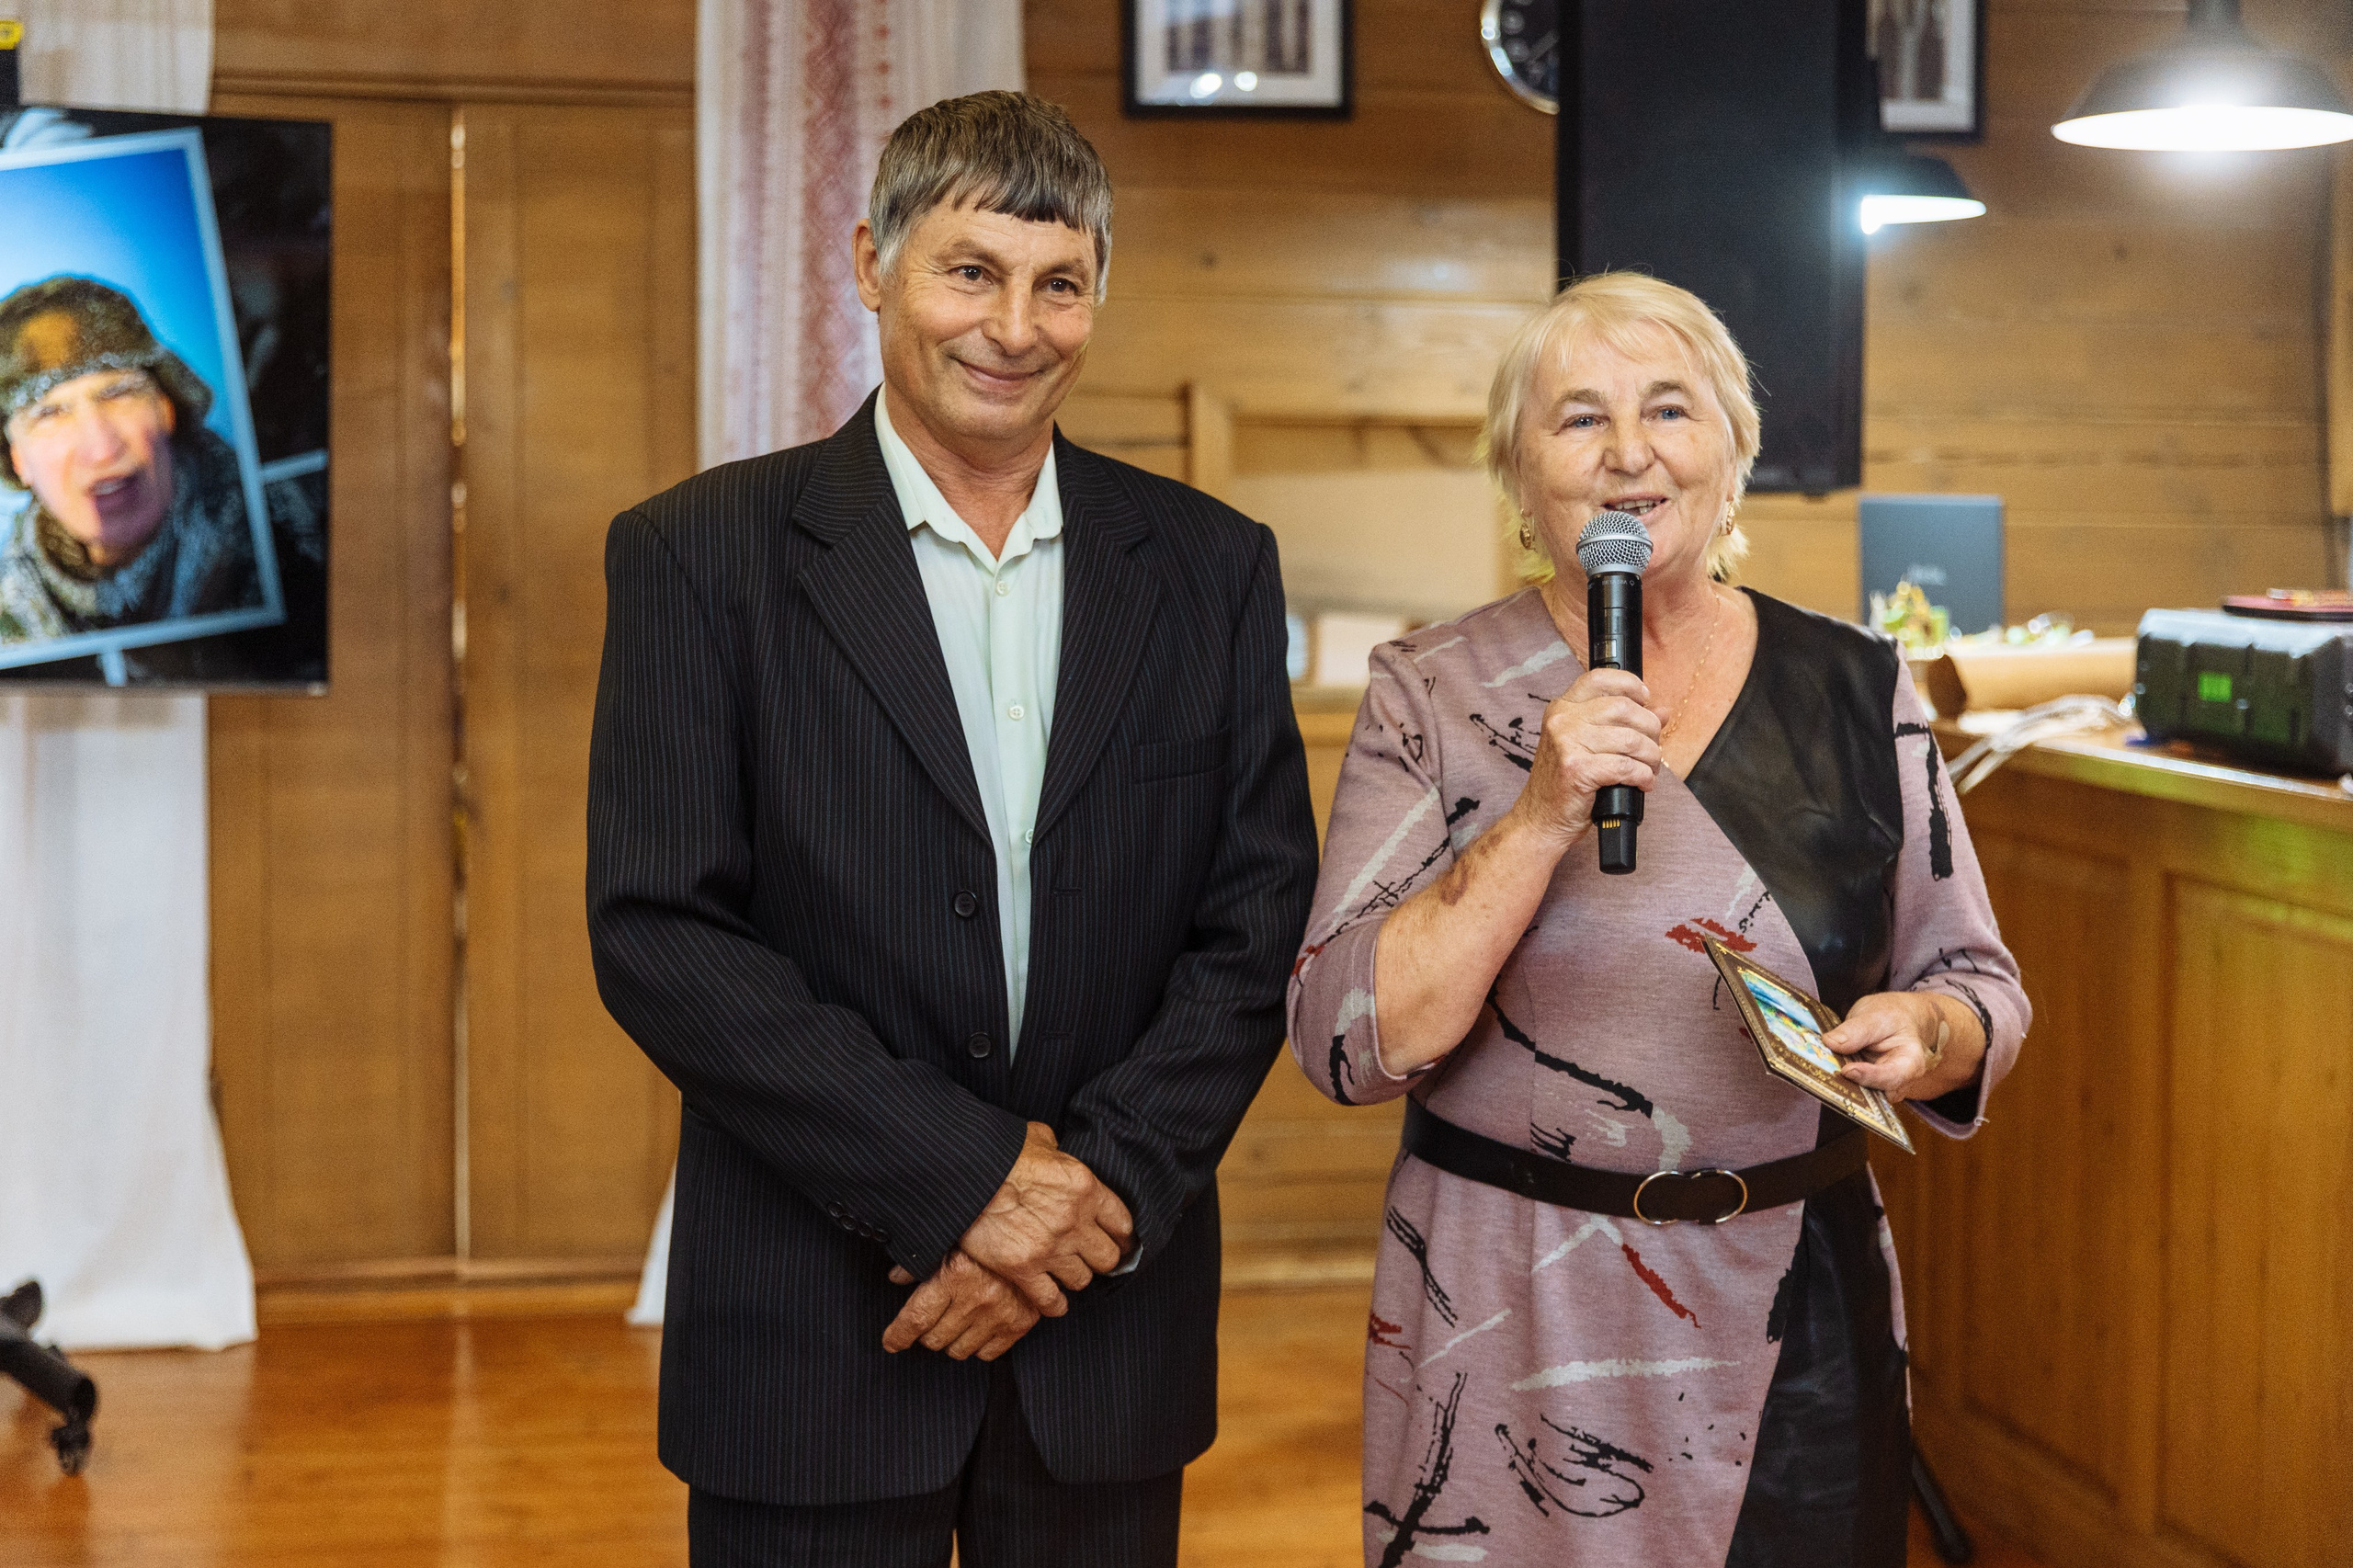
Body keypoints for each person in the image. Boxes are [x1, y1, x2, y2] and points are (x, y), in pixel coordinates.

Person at [587, 91, 1318, 1567]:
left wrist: (1085, 1203)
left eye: (1060, 282)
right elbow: (661, 933)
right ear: (872, 264)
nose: (1015, 325)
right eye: (970, 271)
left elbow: (1254, 928)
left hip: (1103, 1333)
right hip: (814, 1327)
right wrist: (973, 1184)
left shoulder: (1212, 568)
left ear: (1099, 294)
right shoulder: (698, 554)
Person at [1287, 271, 2030, 1566]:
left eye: (1671, 410)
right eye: (1578, 419)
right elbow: (1345, 1037)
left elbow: (1980, 980)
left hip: (1795, 1304)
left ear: (1733, 458)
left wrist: (1931, 1025)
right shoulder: (1431, 691)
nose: (1629, 451)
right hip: (1511, 1305)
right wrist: (1538, 817)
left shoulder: (1857, 685)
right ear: (1521, 479)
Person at [0, 276, 294, 651]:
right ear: (18, 460)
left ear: (167, 408)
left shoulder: (292, 540)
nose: (102, 449)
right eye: (50, 414)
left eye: (118, 393)